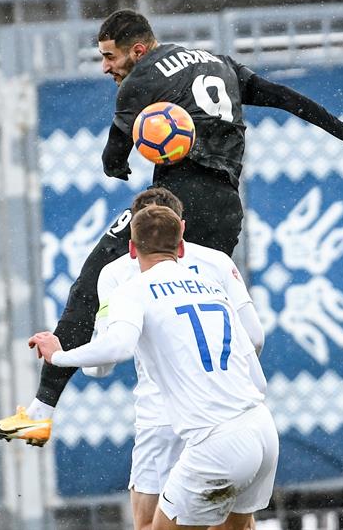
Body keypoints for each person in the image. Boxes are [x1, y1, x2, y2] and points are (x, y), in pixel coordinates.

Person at [0, 9, 343, 445]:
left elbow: (113, 158)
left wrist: (119, 162)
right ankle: (233, 407)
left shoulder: (142, 79)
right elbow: (283, 96)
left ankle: (45, 407)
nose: (106, 68)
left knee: (93, 280)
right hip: (225, 208)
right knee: (197, 307)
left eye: (110, 56)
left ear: (138, 50)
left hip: (173, 203)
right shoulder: (220, 63)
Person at [30, 205, 279, 530]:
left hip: (217, 441)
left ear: (132, 249)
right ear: (180, 245)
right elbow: (253, 359)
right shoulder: (211, 285)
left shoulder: (133, 290)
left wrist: (58, 356)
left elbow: (117, 347)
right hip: (261, 427)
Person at [90, 188, 266, 530]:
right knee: (233, 524)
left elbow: (102, 363)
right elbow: (254, 337)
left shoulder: (116, 273)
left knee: (149, 524)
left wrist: (64, 356)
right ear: (181, 227)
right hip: (225, 410)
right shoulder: (216, 262)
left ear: (133, 235)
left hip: (161, 415)